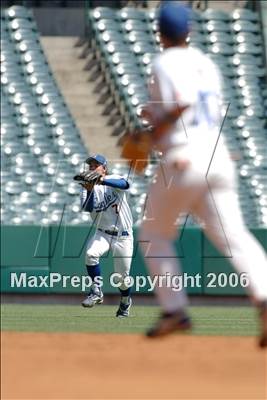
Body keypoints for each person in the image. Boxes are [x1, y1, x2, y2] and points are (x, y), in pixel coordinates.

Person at [138, 2, 267, 347]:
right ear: (190, 30)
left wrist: (149, 136)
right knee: (235, 236)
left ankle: (175, 309)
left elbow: (180, 104)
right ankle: (265, 297)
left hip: (184, 157)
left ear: (160, 32)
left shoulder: (164, 61)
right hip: (218, 155)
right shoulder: (206, 63)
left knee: (152, 232)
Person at [80, 154, 133, 317]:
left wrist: (102, 180)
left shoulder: (113, 178)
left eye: (96, 165)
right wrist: (89, 191)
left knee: (121, 279)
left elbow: (125, 184)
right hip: (102, 233)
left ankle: (125, 301)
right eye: (90, 165)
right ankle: (96, 291)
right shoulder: (87, 186)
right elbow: (88, 208)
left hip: (123, 236)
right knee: (90, 254)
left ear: (104, 168)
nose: (92, 167)